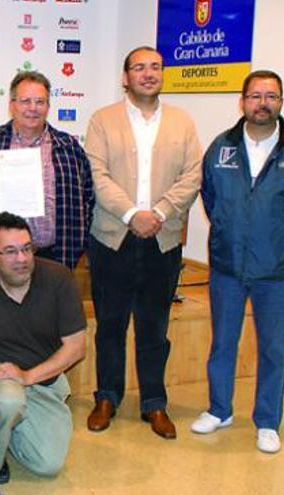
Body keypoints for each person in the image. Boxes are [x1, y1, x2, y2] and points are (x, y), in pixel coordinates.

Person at [84, 46, 201, 439]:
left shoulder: (182, 123)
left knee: (155, 326)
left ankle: (154, 402)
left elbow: (192, 176)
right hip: (113, 238)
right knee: (111, 324)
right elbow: (97, 176)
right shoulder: (103, 120)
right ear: (125, 76)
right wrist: (134, 214)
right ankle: (107, 397)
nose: (148, 73)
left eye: (155, 67)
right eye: (139, 67)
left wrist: (161, 214)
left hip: (163, 241)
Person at [193, 70, 284, 453]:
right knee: (223, 342)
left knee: (272, 348)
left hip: (278, 271)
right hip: (228, 267)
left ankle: (267, 420)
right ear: (243, 101)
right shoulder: (222, 148)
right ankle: (219, 409)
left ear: (281, 102)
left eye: (271, 96)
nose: (262, 103)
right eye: (255, 96)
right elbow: (210, 196)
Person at [0, 213, 86, 482]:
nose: (22, 259)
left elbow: (76, 347)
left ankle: (2, 423)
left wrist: (27, 377)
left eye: (27, 248)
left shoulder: (59, 280)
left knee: (48, 465)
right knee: (8, 400)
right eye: (11, 251)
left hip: (41, 379)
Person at [0, 71, 93, 270]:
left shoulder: (68, 146)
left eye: (40, 101)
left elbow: (88, 196)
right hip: (2, 256)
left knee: (52, 302)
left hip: (57, 254)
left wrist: (79, 237)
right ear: (12, 105)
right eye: (25, 101)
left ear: (48, 106)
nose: (32, 108)